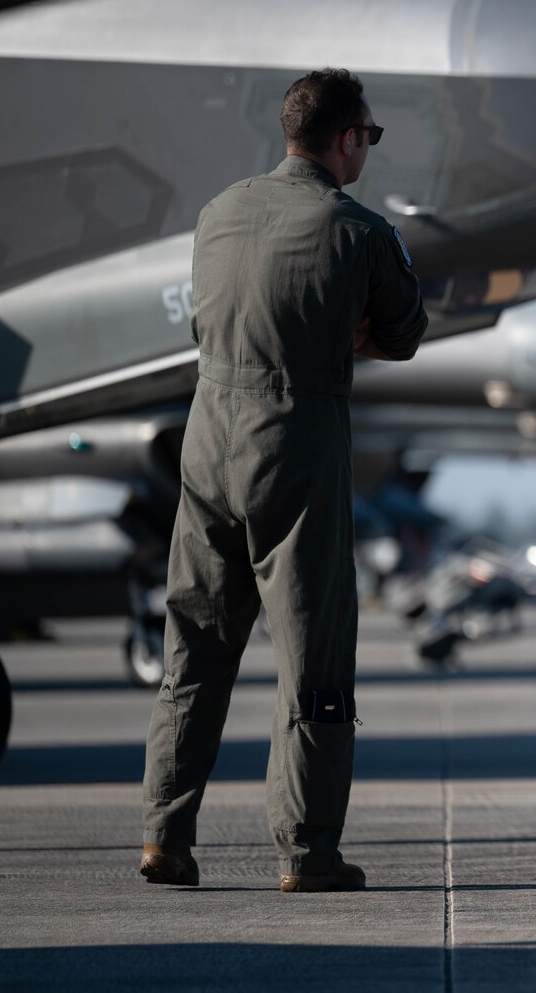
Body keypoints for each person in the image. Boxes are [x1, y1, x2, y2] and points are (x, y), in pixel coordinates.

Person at [139, 68, 426, 892]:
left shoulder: (216, 215)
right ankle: (307, 851)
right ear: (345, 139)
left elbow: (212, 318)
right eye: (368, 136)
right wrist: (339, 330)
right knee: (314, 653)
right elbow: (403, 330)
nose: (367, 148)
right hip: (294, 443)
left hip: (207, 437)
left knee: (193, 644)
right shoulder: (359, 231)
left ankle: (165, 835)